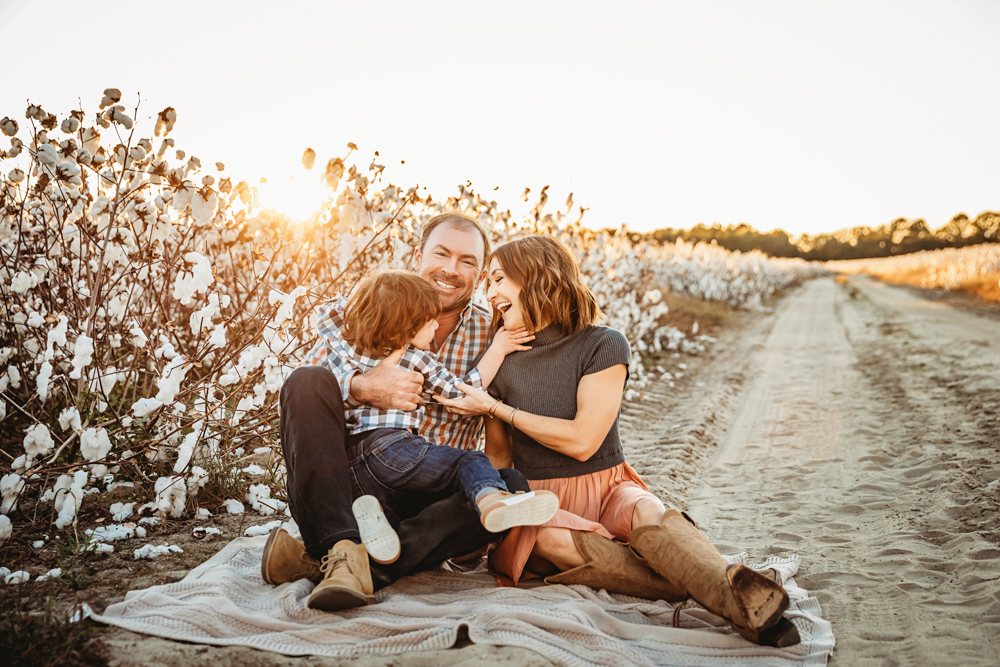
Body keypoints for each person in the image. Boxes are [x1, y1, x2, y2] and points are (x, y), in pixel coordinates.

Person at [434, 235, 801, 647]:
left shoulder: (603, 343)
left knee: (648, 510)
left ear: (536, 276)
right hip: (539, 499)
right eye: (489, 283)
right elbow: (500, 455)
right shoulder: (497, 361)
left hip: (606, 486)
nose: (491, 292)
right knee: (548, 536)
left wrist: (495, 408)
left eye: (500, 278)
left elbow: (583, 441)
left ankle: (727, 594)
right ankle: (721, 590)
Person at [263, 212, 533, 611]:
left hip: (421, 499)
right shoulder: (360, 307)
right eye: (441, 254)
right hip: (344, 488)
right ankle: (342, 544)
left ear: (479, 276)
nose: (451, 270)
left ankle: (336, 563)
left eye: (467, 261)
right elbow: (302, 402)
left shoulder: (492, 331)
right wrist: (360, 388)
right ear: (417, 254)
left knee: (508, 487)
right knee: (305, 379)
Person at [303, 270, 559, 610]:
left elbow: (318, 390)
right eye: (428, 322)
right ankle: (489, 500)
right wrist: (498, 348)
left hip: (353, 469)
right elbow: (460, 390)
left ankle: (367, 533)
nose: (436, 328)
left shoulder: (348, 350)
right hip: (391, 448)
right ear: (406, 328)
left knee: (500, 479)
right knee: (470, 461)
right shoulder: (415, 357)